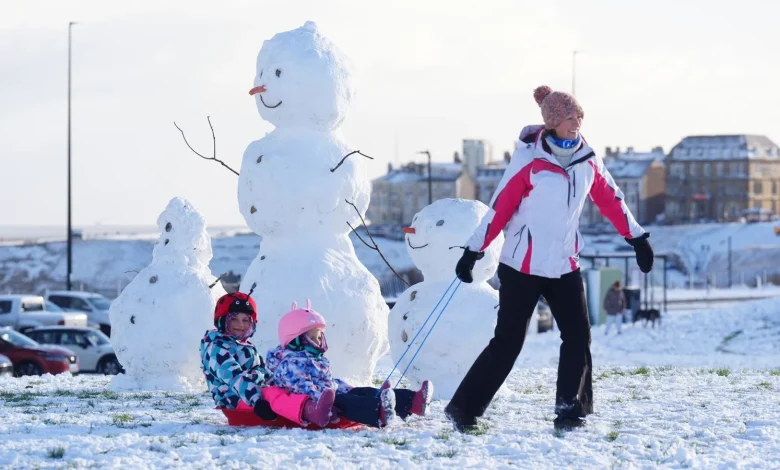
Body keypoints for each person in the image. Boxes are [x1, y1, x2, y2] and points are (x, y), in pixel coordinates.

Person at [445, 85, 654, 431]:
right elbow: (500, 209)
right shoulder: (529, 161)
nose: (577, 123)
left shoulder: (588, 159)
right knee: (508, 343)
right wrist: (474, 249)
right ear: (553, 122)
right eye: (570, 117)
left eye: (579, 117)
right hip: (522, 266)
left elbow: (612, 200)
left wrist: (637, 237)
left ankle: (570, 409)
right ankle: (463, 409)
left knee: (578, 336)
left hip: (563, 264)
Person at [266, 300, 433, 428]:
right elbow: (302, 387)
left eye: (320, 336)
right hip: (320, 401)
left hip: (330, 393)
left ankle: (413, 401)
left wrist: (345, 387)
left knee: (363, 392)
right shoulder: (291, 363)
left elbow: (328, 381)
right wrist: (325, 399)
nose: (320, 340)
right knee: (349, 402)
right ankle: (378, 411)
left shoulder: (314, 358)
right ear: (298, 339)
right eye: (316, 336)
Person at [200, 291, 335, 427]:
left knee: (287, 388)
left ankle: (328, 405)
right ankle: (311, 411)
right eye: (234, 319)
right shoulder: (216, 348)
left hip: (256, 393)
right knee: (273, 394)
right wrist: (257, 400)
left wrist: (280, 382)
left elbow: (263, 371)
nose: (240, 324)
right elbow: (235, 378)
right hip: (235, 398)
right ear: (222, 321)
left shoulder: (245, 345)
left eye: (245, 320)